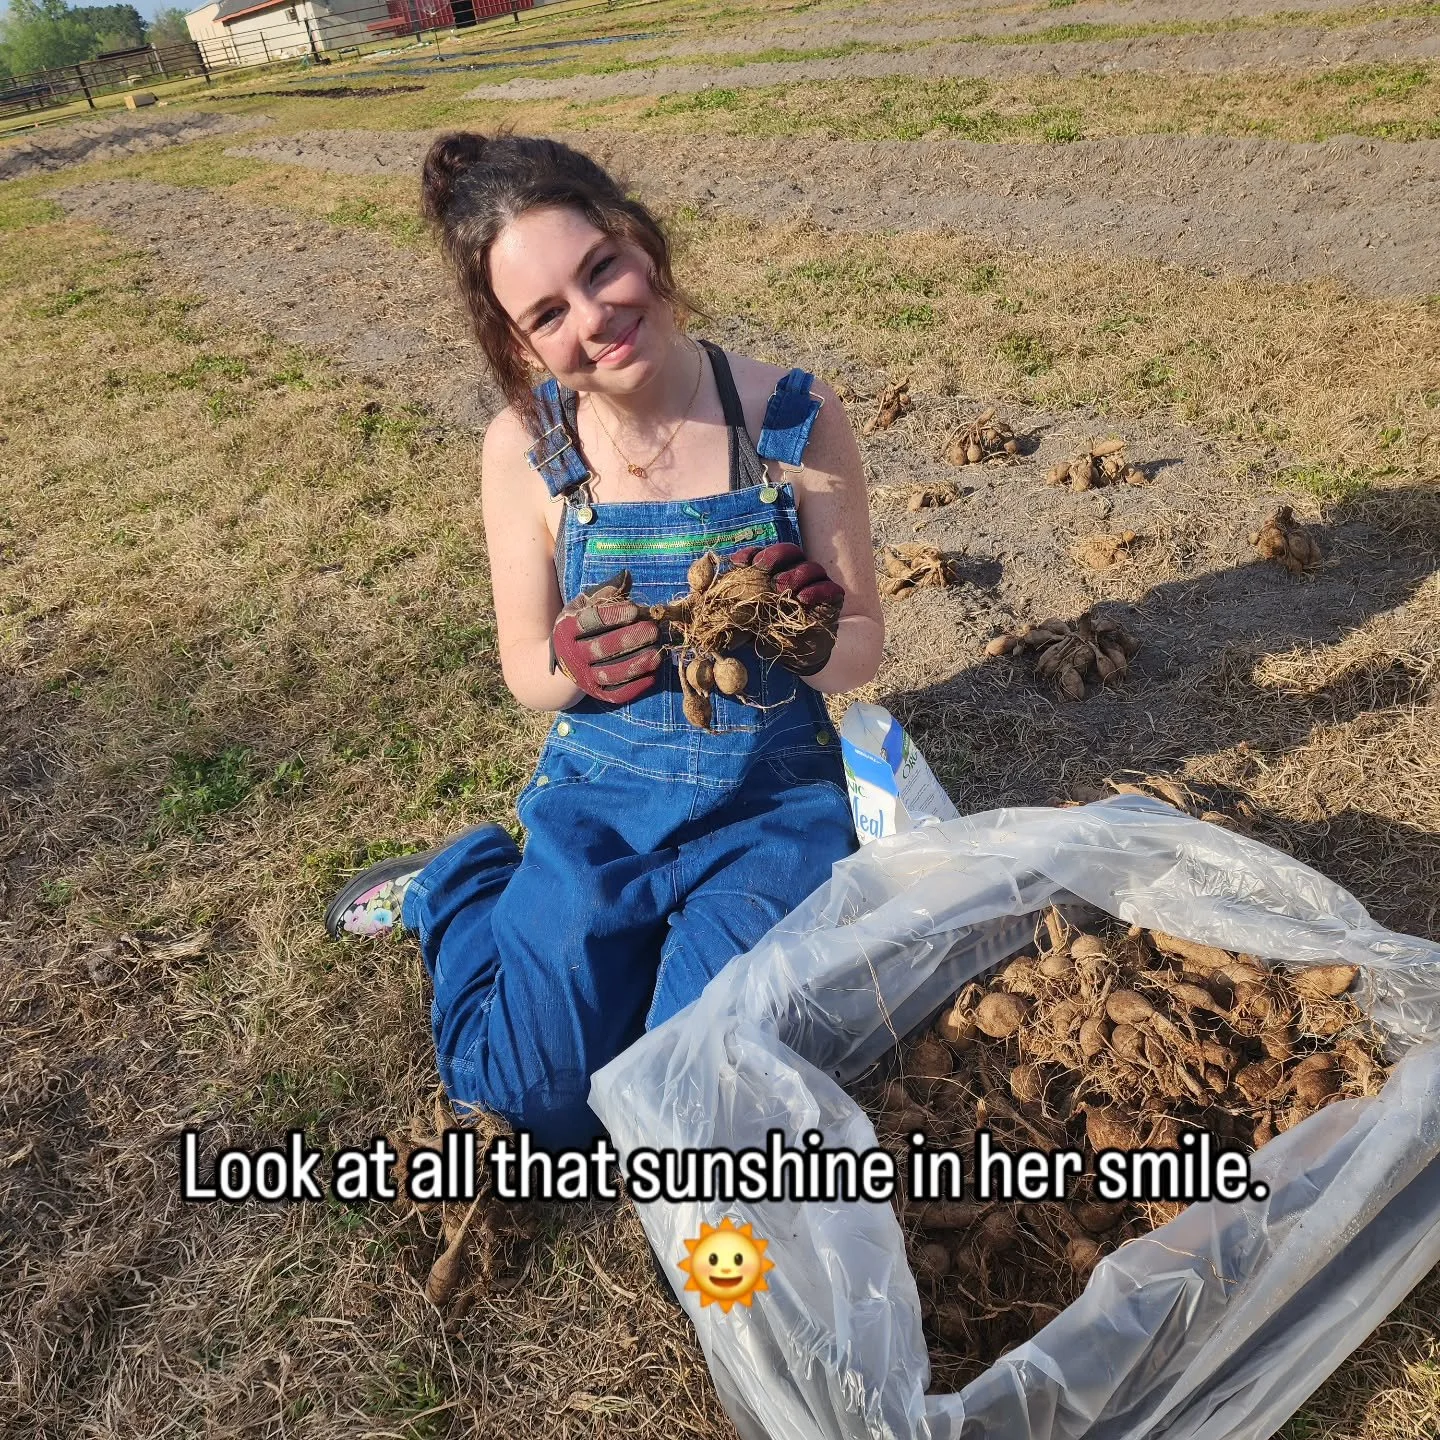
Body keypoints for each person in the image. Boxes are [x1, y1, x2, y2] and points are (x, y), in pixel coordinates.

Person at [324, 132, 884, 1149]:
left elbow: (862, 651)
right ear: (519, 346)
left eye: (600, 269)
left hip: (770, 803)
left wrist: (811, 633)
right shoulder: (526, 450)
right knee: (528, 1107)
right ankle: (461, 885)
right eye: (547, 314)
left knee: (692, 1102)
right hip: (605, 802)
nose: (593, 319)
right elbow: (526, 671)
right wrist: (570, 668)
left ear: (642, 242)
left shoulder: (790, 418)